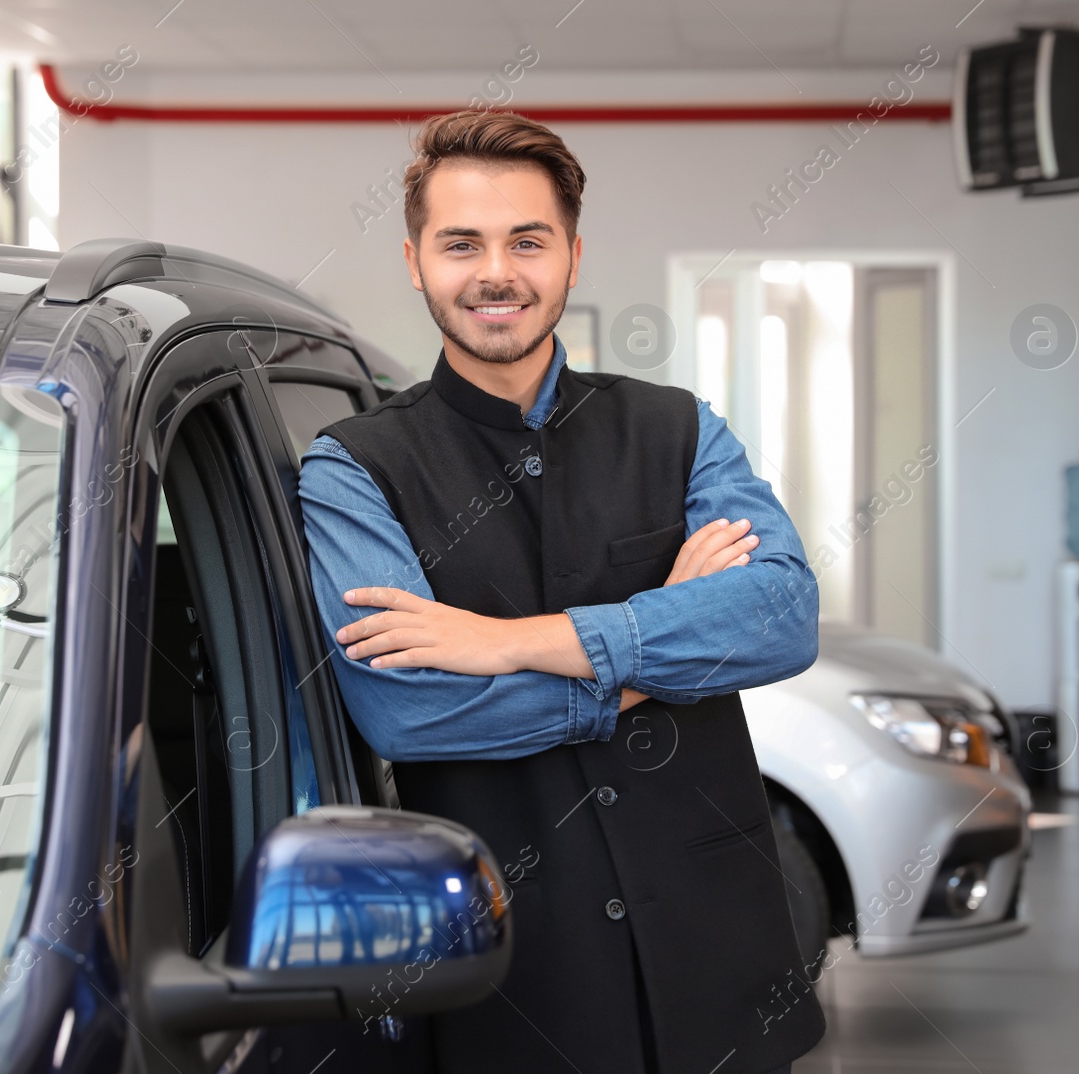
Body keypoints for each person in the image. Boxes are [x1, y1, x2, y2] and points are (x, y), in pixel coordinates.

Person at [298, 109, 825, 1074]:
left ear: (572, 257)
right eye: (462, 243)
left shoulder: (678, 430)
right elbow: (410, 712)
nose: (496, 272)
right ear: (416, 261)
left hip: (719, 965)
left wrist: (509, 641)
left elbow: (783, 615)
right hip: (514, 982)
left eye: (526, 241)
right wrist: (665, 648)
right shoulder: (352, 470)